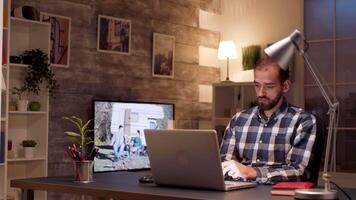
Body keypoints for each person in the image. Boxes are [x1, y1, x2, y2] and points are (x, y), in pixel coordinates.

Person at [220, 57, 316, 184]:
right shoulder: (238, 120)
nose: (261, 93)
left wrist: (251, 172)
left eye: (269, 86)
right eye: (257, 85)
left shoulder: (303, 121)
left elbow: (298, 172)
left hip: (278, 196)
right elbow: (224, 164)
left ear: (285, 86)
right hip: (239, 192)